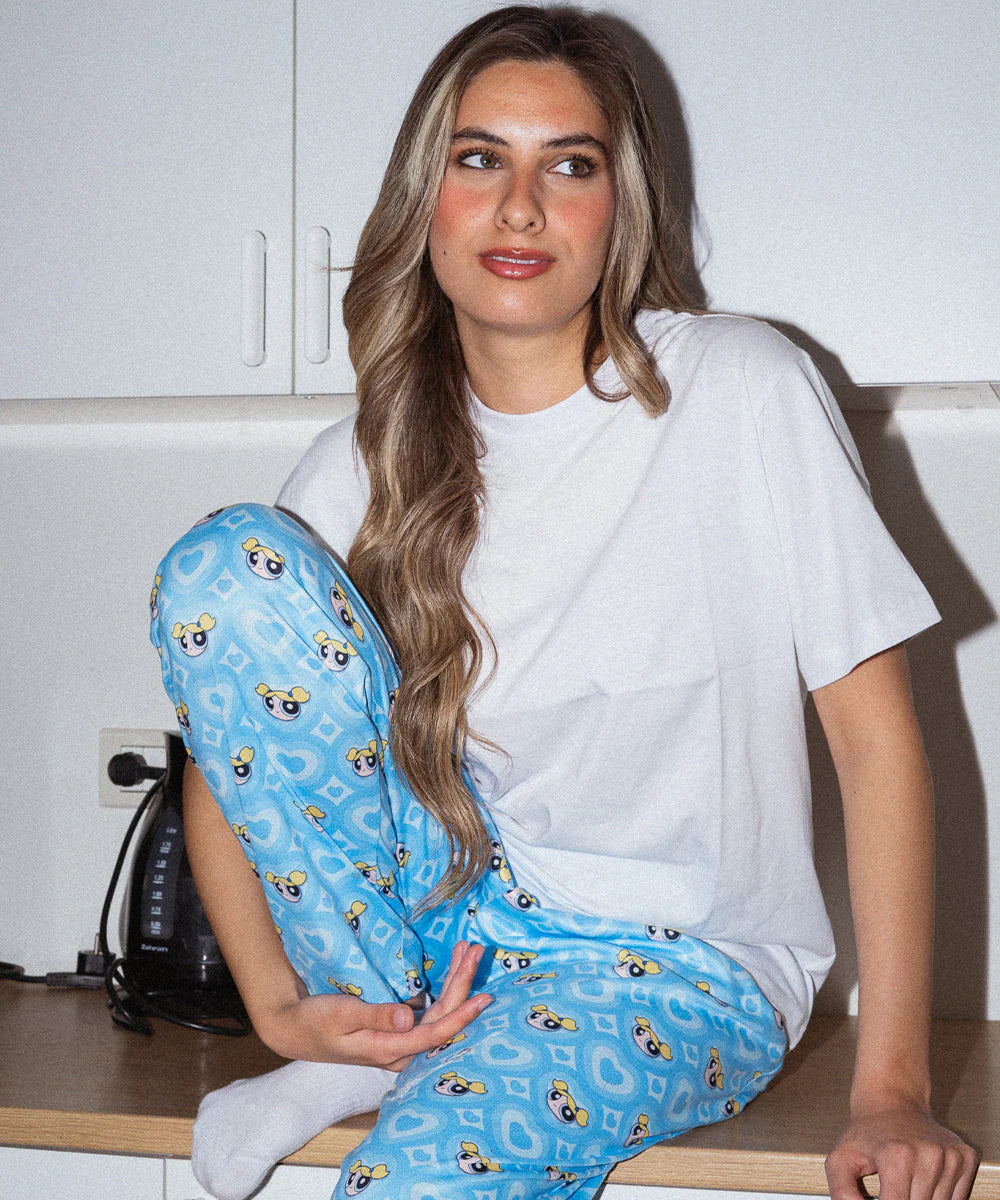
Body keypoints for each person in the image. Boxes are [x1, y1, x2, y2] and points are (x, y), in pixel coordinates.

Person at [149, 7, 979, 1200]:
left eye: (570, 165)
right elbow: (237, 745)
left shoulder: (739, 389)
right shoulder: (360, 463)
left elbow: (876, 742)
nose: (520, 207)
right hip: (438, 938)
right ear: (424, 199)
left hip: (672, 968)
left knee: (415, 1185)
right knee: (224, 564)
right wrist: (278, 1007)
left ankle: (415, 1080)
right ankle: (371, 1040)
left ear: (620, 205)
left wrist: (889, 1089)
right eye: (479, 158)